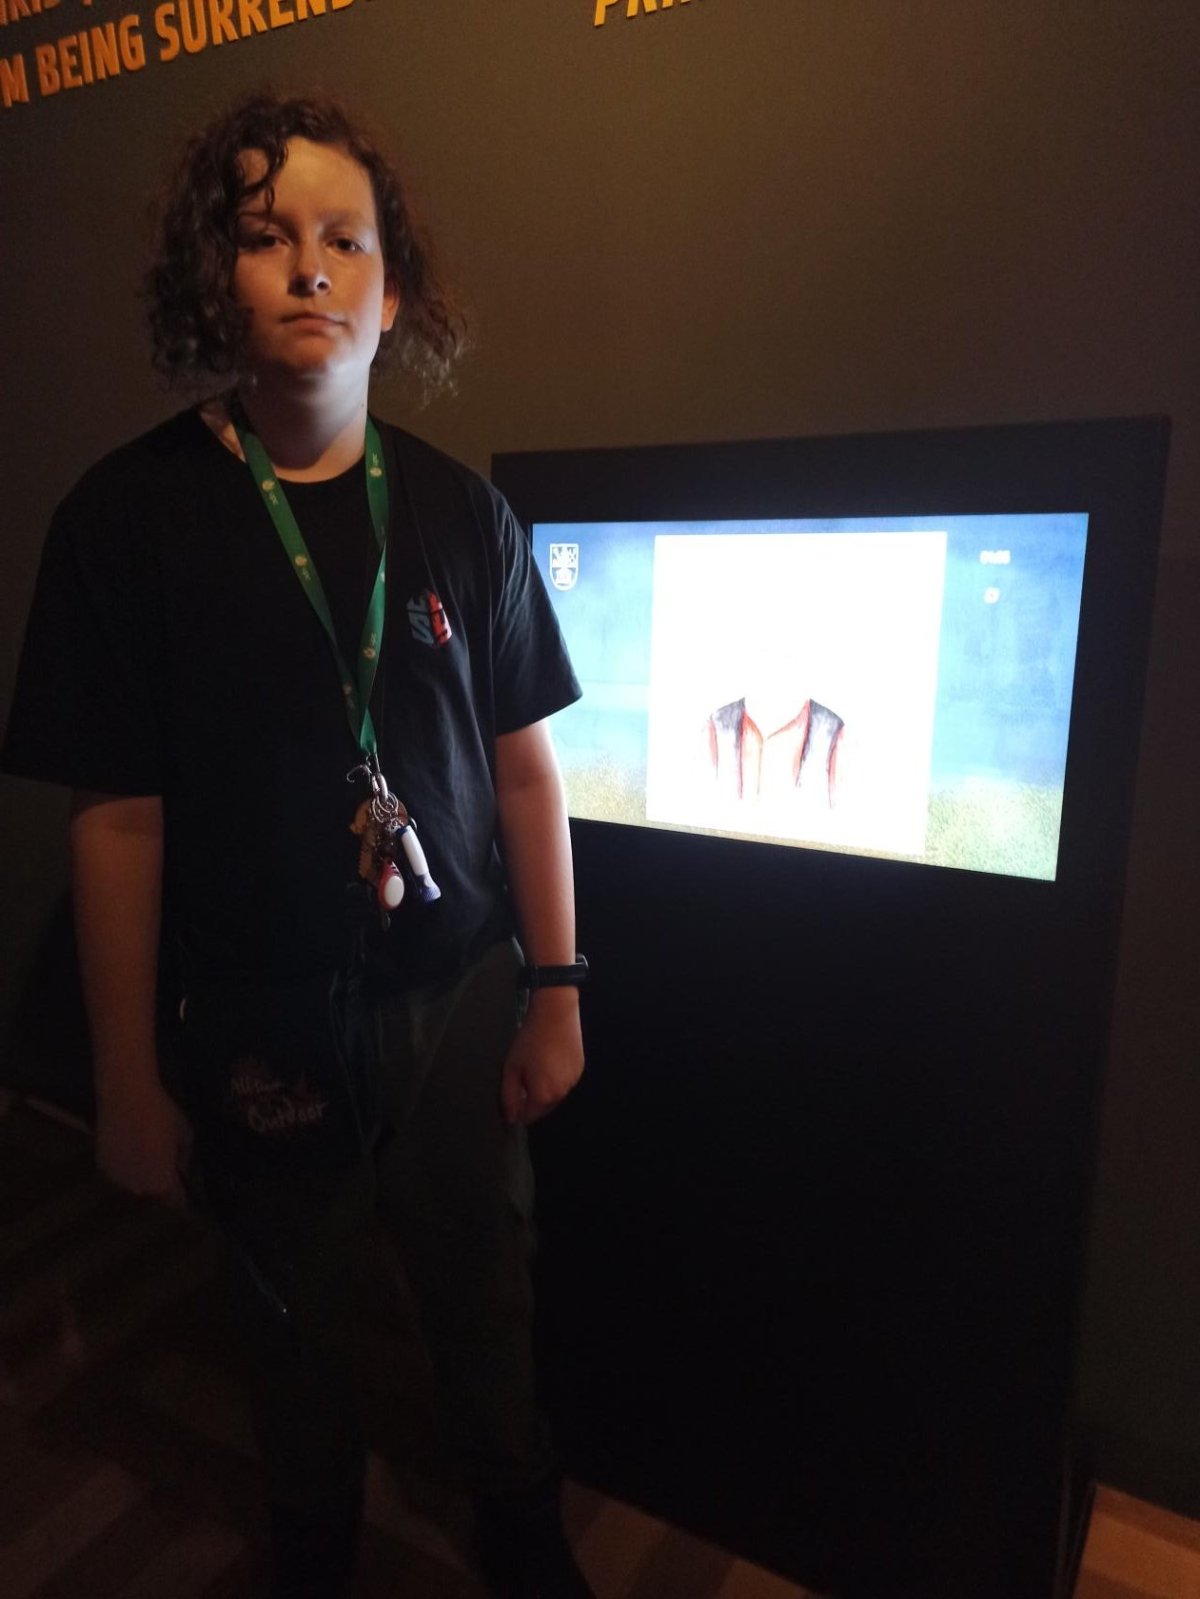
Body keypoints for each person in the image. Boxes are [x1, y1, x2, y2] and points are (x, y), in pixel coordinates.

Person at [2, 91, 592, 1599]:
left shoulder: (465, 517)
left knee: (485, 1288)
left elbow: (528, 773)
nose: (312, 267)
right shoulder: (123, 523)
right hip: (253, 1014)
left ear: (394, 295)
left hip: (456, 997)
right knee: (288, 1315)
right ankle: (313, 1543)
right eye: (268, 237)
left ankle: (519, 1523)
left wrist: (558, 989)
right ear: (218, 279)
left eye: (347, 240)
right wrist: (126, 1079)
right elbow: (116, 822)